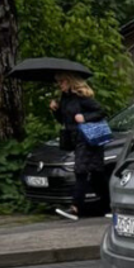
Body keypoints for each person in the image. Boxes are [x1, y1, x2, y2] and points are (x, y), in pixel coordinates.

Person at [50, 73, 109, 222]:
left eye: (62, 81)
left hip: (89, 138)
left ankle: (75, 207)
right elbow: (63, 120)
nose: (60, 84)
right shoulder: (64, 99)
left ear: (70, 81)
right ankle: (109, 206)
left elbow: (101, 111)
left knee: (81, 170)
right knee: (97, 174)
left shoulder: (82, 97)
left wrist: (85, 117)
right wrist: (55, 110)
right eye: (59, 82)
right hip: (76, 139)